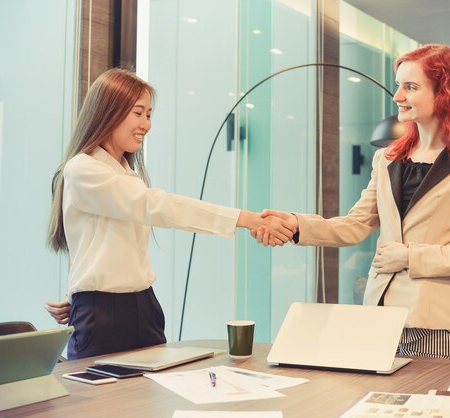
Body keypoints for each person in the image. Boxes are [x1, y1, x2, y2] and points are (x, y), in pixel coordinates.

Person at [255, 44, 450, 359]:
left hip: (434, 325)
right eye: (399, 86)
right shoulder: (386, 158)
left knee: (430, 408)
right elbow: (355, 225)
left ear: (445, 93)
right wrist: (297, 225)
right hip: (377, 319)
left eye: (410, 87)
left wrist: (411, 256)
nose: (398, 96)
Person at [46, 68, 293, 359]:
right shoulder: (83, 169)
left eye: (149, 115)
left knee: (149, 402)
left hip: (144, 307)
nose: (146, 124)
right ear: (108, 112)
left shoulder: (126, 174)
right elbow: (158, 205)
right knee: (101, 403)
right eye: (138, 113)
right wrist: (247, 219)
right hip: (102, 316)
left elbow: (108, 246)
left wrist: (76, 295)